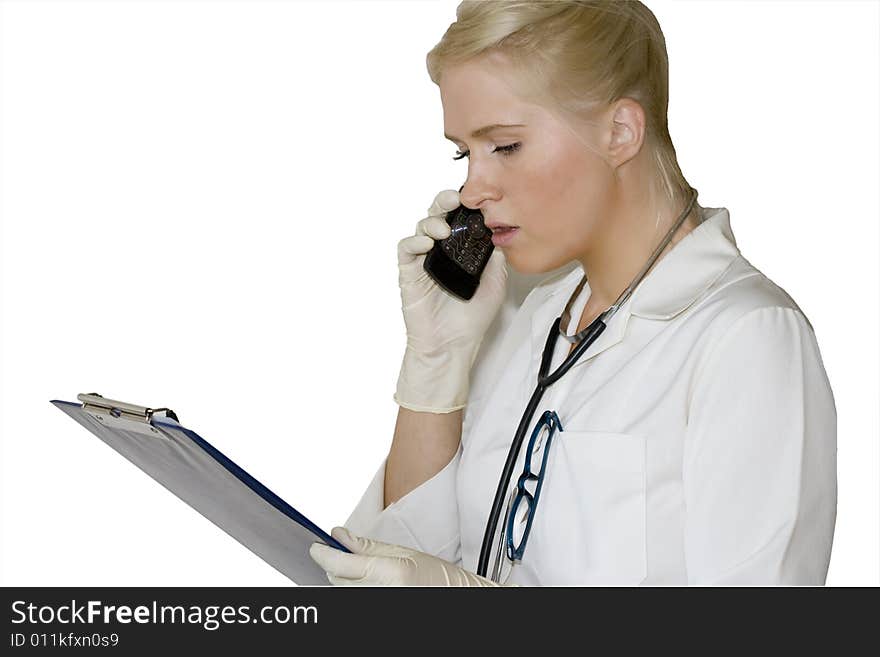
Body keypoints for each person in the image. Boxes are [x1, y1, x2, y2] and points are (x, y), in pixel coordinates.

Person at [309, 0, 837, 586]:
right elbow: (394, 569)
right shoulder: (525, 313)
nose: (473, 186)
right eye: (464, 152)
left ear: (620, 132)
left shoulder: (746, 337)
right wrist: (436, 366)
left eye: (504, 146)